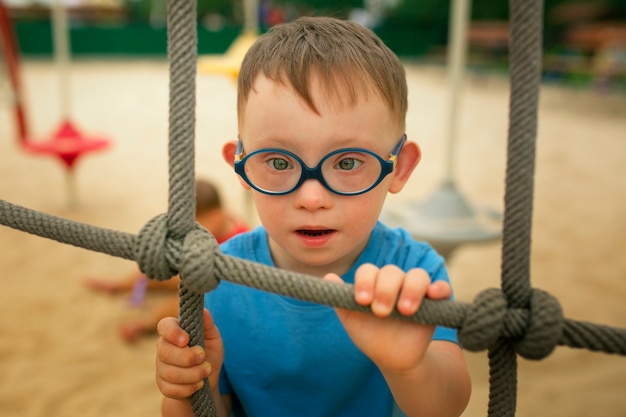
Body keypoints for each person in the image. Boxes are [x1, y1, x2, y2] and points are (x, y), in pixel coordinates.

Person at [155, 16, 471, 417]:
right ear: (241, 169)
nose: (311, 197)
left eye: (349, 161)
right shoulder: (217, 275)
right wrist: (188, 390)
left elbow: (448, 407)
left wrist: (407, 366)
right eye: (279, 161)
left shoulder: (412, 272)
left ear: (400, 168)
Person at [84, 178, 249, 344]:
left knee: (185, 301)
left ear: (215, 218)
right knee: (151, 271)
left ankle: (146, 326)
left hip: (212, 285)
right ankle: (120, 285)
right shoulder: (212, 223)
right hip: (190, 269)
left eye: (195, 224)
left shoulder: (237, 242)